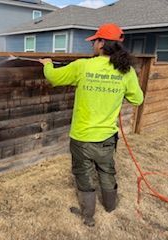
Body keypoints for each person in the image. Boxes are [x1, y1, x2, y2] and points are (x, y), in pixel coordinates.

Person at [39, 23, 144, 227]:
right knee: (106, 171)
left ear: (102, 43)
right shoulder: (126, 71)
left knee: (84, 176)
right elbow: (137, 99)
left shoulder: (83, 66)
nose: (92, 45)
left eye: (94, 41)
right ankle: (110, 207)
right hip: (106, 138)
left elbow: (53, 77)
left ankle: (88, 217)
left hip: (82, 137)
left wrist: (47, 64)